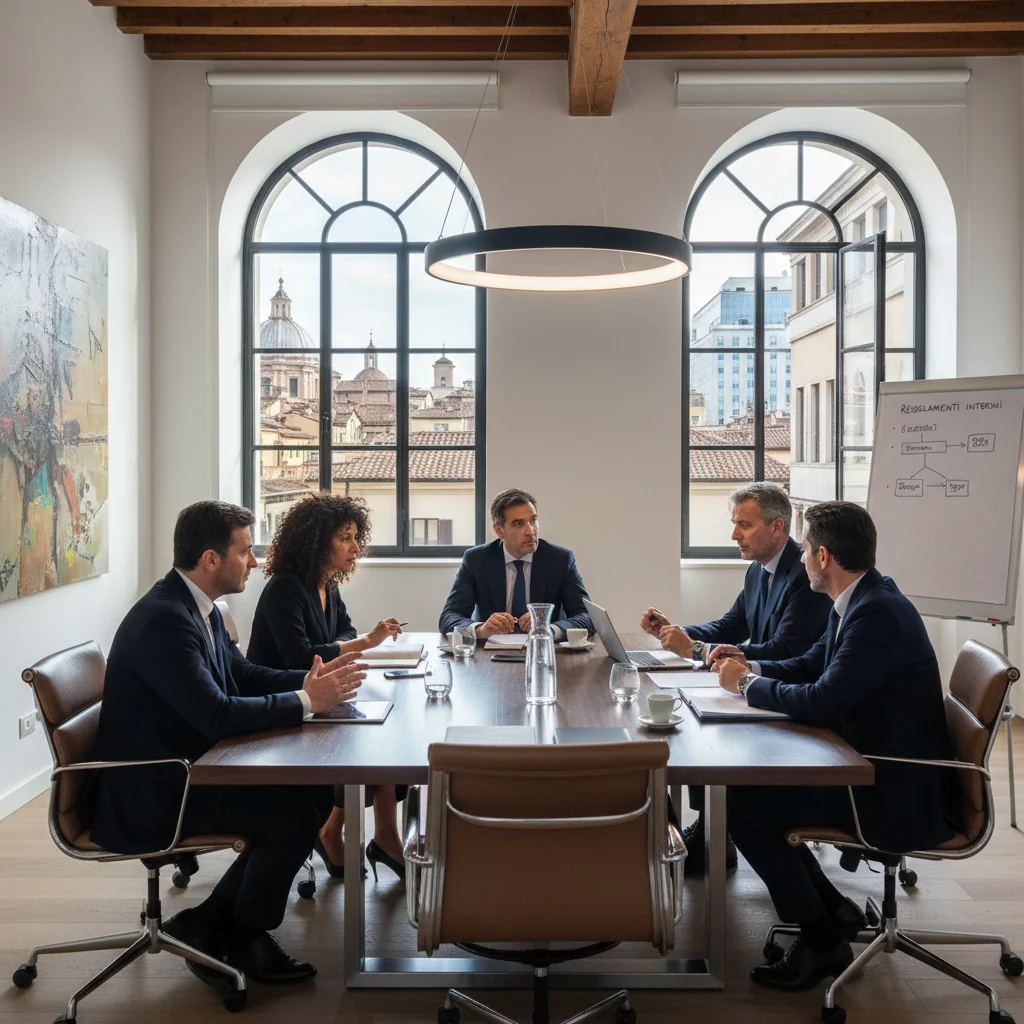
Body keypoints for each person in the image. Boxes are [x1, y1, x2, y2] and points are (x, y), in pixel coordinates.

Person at [89, 501, 366, 989]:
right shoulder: (165, 620)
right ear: (211, 559)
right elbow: (215, 711)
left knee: (316, 791)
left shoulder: (200, 607)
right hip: (154, 790)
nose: (255, 561)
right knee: (293, 816)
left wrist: (310, 683)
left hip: (189, 767)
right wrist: (305, 700)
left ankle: (208, 923)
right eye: (245, 551)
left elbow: (239, 675)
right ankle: (244, 933)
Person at [713, 501, 960, 991]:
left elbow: (824, 699)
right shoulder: (863, 597)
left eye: (804, 550)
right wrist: (752, 668)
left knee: (748, 814)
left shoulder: (877, 614)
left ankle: (824, 944)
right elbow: (811, 664)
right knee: (744, 795)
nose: (800, 559)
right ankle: (834, 913)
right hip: (863, 764)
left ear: (823, 556)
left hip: (889, 785)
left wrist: (745, 687)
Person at [640, 483, 832, 874]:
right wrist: (676, 632)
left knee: (701, 732)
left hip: (788, 698)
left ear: (777, 527)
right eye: (734, 524)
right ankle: (712, 834)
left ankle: (715, 834)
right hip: (760, 687)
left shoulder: (804, 576)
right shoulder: (757, 571)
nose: (733, 536)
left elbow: (783, 651)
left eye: (743, 525)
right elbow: (732, 624)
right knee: (694, 718)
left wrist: (695, 649)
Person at [248, 493, 407, 884]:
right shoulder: (286, 589)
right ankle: (349, 832)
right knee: (374, 742)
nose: (355, 547)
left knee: (386, 732)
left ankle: (381, 835)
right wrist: (365, 643)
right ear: (318, 542)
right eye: (345, 538)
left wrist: (356, 642)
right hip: (286, 704)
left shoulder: (326, 585)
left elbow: (345, 632)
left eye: (356, 537)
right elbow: (301, 656)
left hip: (319, 699)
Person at [439, 488, 594, 641]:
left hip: (544, 651)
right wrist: (481, 629)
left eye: (533, 520)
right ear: (500, 531)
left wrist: (547, 629)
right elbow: (449, 617)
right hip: (489, 655)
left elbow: (587, 617)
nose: (530, 531)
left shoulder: (560, 559)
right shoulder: (476, 560)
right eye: (519, 524)